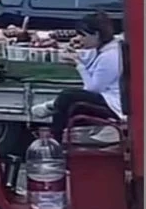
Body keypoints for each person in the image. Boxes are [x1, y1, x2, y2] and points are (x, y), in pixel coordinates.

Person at [32, 11, 123, 141]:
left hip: (112, 103)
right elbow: (87, 57)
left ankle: (55, 135)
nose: (80, 39)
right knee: (68, 100)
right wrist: (73, 54)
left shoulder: (110, 56)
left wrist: (78, 66)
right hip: (106, 98)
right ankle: (54, 113)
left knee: (68, 95)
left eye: (83, 35)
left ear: (96, 34)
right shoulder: (102, 50)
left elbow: (92, 89)